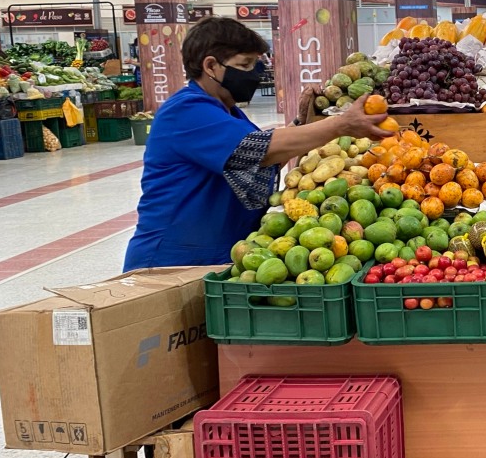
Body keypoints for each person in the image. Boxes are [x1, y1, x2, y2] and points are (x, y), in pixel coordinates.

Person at [123, 16, 390, 271]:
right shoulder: (185, 110)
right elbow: (258, 150)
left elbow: (263, 154)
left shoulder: (228, 111)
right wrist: (340, 124)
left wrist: (301, 122)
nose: (255, 73)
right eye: (244, 65)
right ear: (210, 66)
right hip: (170, 262)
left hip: (217, 255)